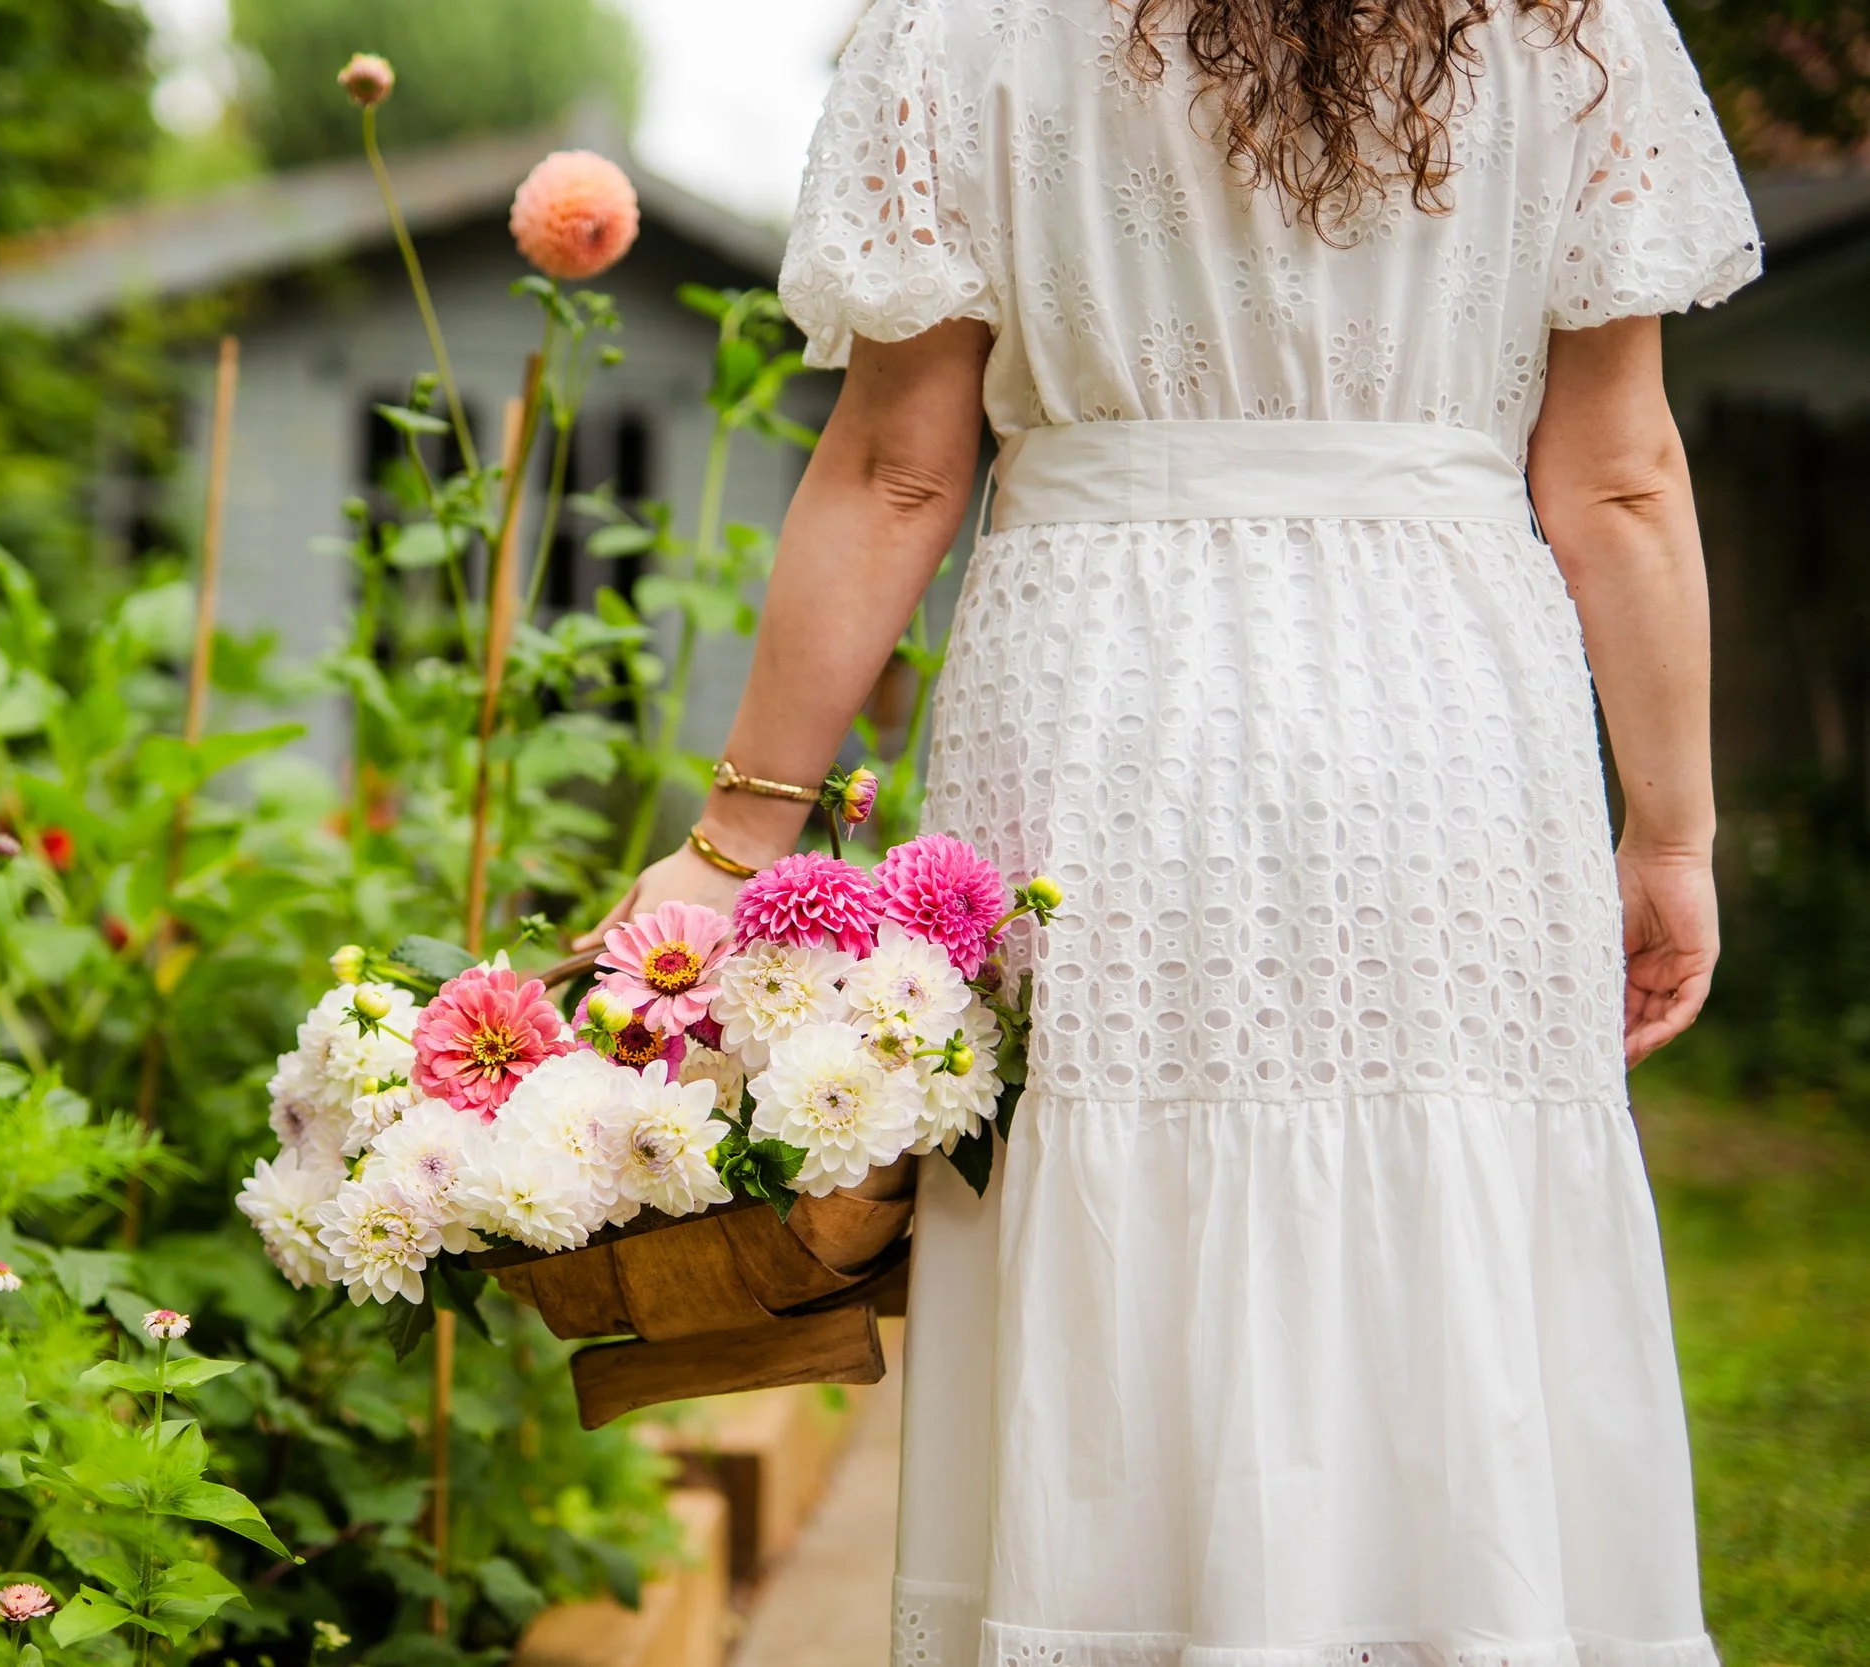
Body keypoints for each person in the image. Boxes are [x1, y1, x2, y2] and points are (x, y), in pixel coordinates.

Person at [588, 0, 1760, 1658]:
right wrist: (1671, 839)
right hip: (1447, 722)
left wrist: (734, 841)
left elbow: (896, 472)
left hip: (1104, 724)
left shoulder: (963, 26)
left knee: (1112, 1218)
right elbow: (1621, 478)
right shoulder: (1577, 24)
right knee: (1450, 1219)